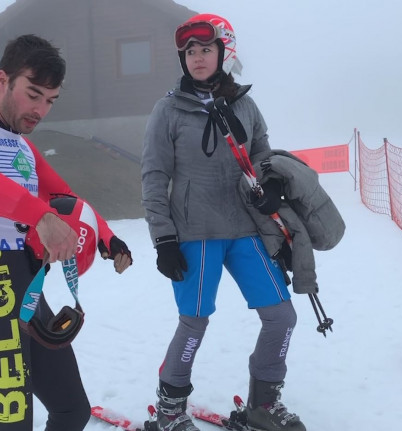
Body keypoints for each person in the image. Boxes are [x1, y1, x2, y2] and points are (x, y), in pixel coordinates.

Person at [0, 34, 133, 431]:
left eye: (50, 100)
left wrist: (106, 237)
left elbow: (65, 197)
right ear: (3, 79)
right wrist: (38, 215)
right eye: (33, 94)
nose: (40, 109)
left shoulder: (22, 148)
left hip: (27, 296)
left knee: (73, 411)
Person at [141, 14, 308, 431]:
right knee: (195, 322)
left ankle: (263, 404)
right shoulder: (168, 110)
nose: (197, 58)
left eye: (206, 50)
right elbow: (154, 176)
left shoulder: (246, 106)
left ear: (224, 53)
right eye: (190, 52)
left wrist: (270, 186)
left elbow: (265, 156)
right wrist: (163, 239)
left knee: (281, 317)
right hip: (195, 234)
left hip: (246, 229)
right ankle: (169, 410)